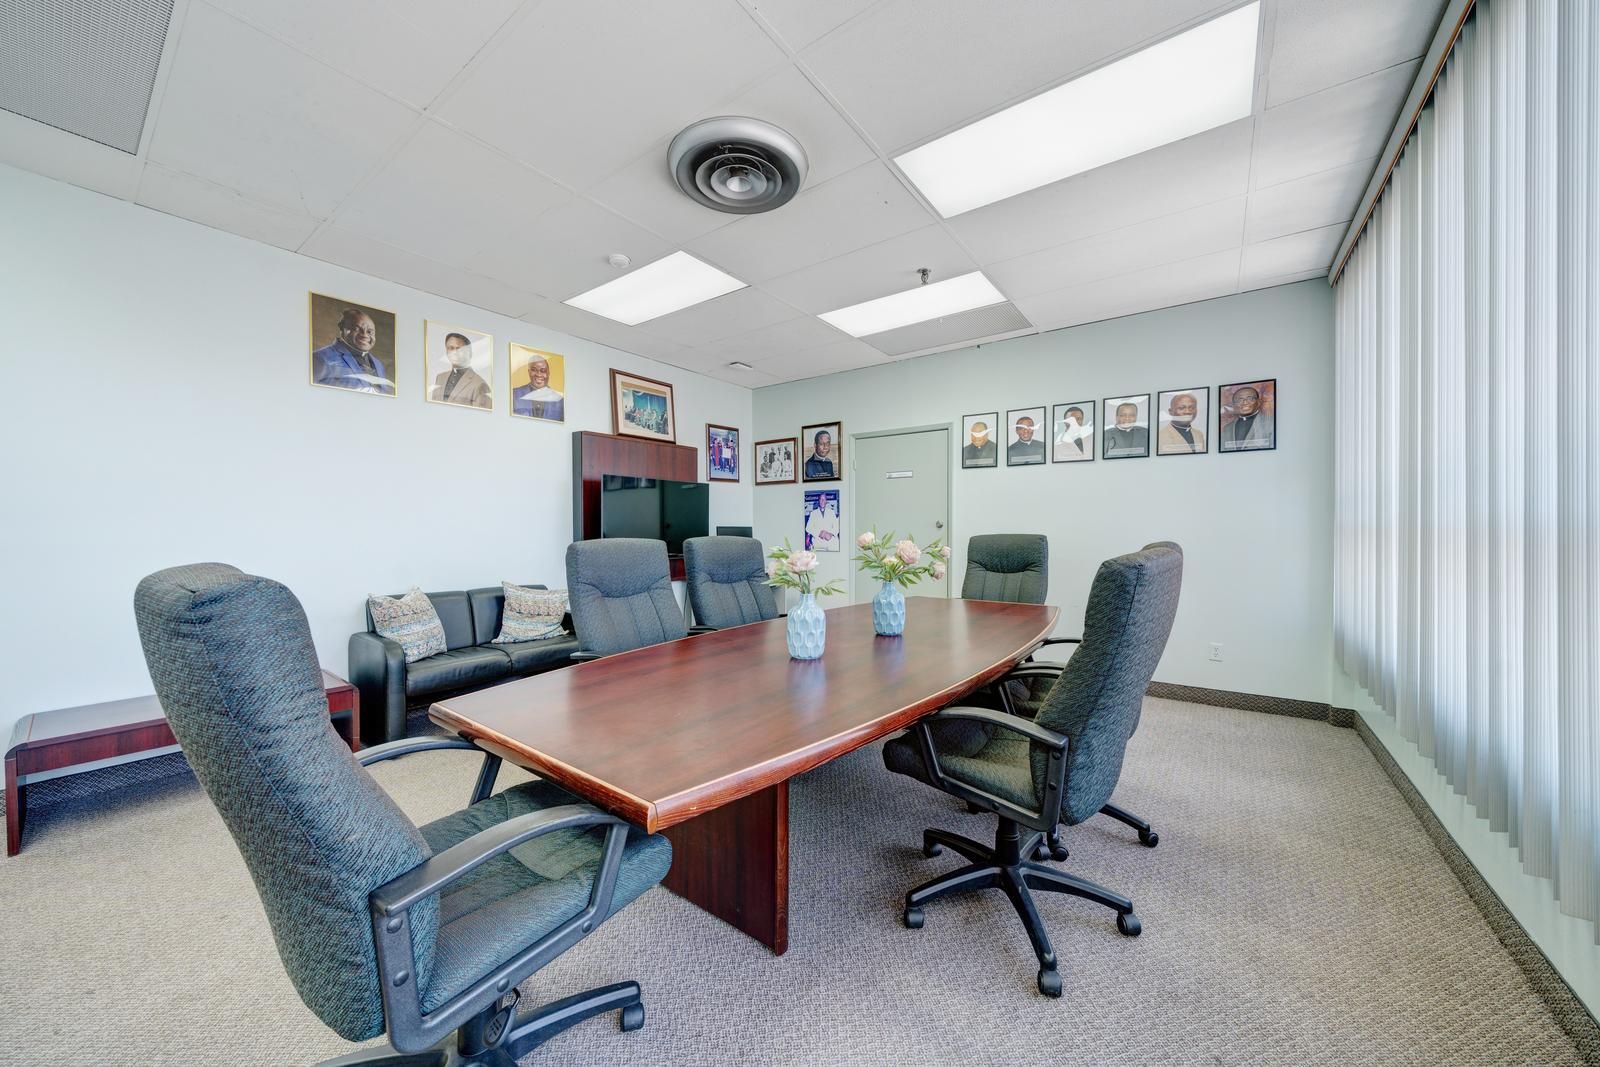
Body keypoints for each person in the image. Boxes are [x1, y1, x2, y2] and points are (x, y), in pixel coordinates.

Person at [312, 308, 394, 395]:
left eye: (370, 332)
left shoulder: (378, 364)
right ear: (342, 329)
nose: (365, 335)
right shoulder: (320, 358)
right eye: (356, 329)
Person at [429, 332, 491, 408]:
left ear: (470, 354)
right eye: (451, 348)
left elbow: (482, 414)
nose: (455, 352)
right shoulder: (440, 378)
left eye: (460, 349)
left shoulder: (479, 384)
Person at [1220, 385, 1274, 449]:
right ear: (1234, 405)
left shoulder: (1271, 423)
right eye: (1239, 400)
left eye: (1250, 398)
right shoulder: (1227, 428)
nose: (1245, 402)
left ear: (1258, 402)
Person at [512, 355, 565, 421]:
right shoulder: (514, 394)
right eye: (534, 370)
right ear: (529, 372)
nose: (538, 374)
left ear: (548, 373)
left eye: (543, 370)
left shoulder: (560, 400)